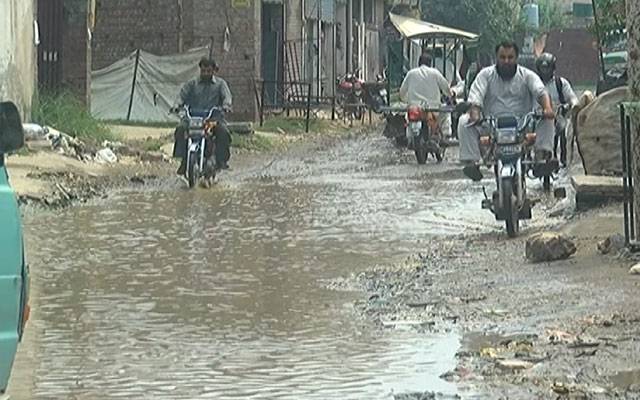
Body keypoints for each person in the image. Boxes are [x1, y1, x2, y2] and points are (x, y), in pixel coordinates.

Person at [458, 41, 555, 181]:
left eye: (510, 57)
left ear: (516, 58)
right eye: (502, 57)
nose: (506, 61)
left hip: (522, 126)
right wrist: (474, 114)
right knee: (463, 121)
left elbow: (541, 92)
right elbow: (476, 97)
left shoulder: (527, 75)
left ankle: (542, 156)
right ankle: (471, 163)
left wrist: (547, 108)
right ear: (496, 58)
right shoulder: (485, 75)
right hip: (491, 126)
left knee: (548, 119)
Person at [173, 57, 233, 175]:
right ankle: (184, 160)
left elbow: (227, 97)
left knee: (224, 132)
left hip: (213, 118)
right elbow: (181, 96)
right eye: (203, 70)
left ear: (213, 71)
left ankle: (221, 160)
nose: (205, 73)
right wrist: (177, 105)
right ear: (200, 69)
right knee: (180, 129)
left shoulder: (220, 84)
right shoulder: (192, 84)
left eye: (208, 71)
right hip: (192, 118)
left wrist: (226, 105)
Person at [535, 52, 578, 168]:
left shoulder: (561, 83)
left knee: (562, 128)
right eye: (542, 68)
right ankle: (528, 159)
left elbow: (572, 97)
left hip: (556, 116)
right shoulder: (533, 83)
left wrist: (571, 105)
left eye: (547, 68)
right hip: (536, 119)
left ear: (553, 68)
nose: (545, 71)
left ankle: (563, 160)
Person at [399, 53, 453, 146]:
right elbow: (446, 87)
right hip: (433, 109)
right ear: (430, 63)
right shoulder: (435, 72)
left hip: (414, 108)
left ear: (418, 63)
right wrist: (450, 94)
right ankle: (445, 136)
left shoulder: (411, 73)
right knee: (446, 113)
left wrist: (407, 101)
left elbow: (402, 92)